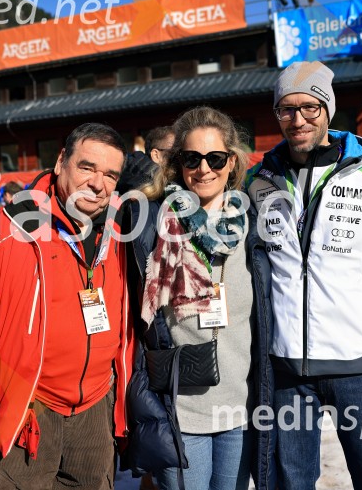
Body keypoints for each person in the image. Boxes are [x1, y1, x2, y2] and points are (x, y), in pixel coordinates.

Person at [246, 61, 362, 490]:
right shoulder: (257, 183)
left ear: (328, 109)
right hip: (286, 369)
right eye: (286, 110)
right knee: (294, 482)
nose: (298, 119)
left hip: (358, 368)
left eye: (310, 107)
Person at [0, 123, 135, 490]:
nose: (98, 183)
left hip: (95, 410)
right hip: (26, 408)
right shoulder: (6, 230)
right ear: (61, 162)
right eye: (87, 167)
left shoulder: (122, 233)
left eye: (110, 175)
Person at [124, 107, 273, 490]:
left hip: (239, 407)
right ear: (178, 164)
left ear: (232, 162)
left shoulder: (252, 224)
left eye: (215, 158)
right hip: (180, 411)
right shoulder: (152, 223)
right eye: (192, 158)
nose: (203, 168)